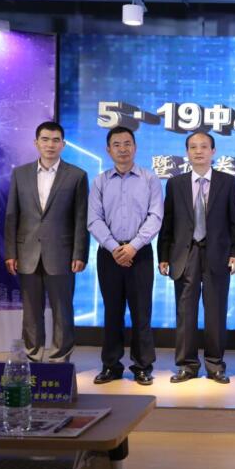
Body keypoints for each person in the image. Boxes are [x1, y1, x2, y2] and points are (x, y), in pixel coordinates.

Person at [157, 131, 235, 384]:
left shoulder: (227, 182)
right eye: (193, 147)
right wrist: (163, 255)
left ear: (213, 151)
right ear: (187, 152)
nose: (199, 151)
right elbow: (168, 222)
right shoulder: (176, 183)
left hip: (218, 254)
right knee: (186, 313)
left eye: (204, 146)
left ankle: (215, 365)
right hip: (186, 253)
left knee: (215, 312)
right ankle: (187, 365)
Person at [4, 121, 89, 362]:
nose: (50, 145)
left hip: (62, 254)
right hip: (27, 252)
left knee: (63, 310)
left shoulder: (77, 175)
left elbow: (81, 218)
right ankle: (32, 358)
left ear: (63, 144)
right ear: (36, 143)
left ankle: (60, 360)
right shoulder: (20, 174)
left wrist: (79, 253)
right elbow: (12, 215)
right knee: (31, 312)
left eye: (55, 140)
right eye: (45, 139)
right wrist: (10, 252)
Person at [87, 126, 163, 386]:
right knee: (112, 311)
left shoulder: (150, 179)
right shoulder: (99, 181)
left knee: (142, 312)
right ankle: (111, 365)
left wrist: (133, 247)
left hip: (140, 253)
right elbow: (94, 219)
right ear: (108, 150)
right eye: (117, 144)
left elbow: (156, 216)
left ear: (135, 147)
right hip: (109, 255)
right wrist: (114, 248)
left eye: (127, 143)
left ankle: (142, 366)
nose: (122, 149)